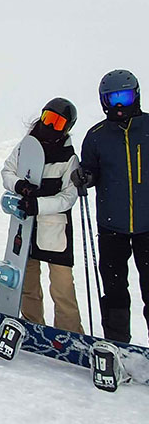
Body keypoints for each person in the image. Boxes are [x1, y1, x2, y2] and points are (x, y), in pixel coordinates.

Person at [76, 70, 149, 343]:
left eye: (124, 96)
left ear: (136, 95)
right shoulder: (96, 136)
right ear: (103, 101)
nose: (119, 104)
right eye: (112, 98)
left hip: (147, 228)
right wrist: (84, 177)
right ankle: (117, 345)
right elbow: (90, 171)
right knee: (115, 290)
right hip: (111, 227)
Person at [2, 98, 83, 333]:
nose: (49, 125)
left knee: (62, 290)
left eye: (57, 122)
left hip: (54, 230)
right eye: (48, 118)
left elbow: (68, 197)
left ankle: (70, 334)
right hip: (25, 227)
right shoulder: (26, 146)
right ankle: (32, 326)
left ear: (66, 128)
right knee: (27, 284)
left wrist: (39, 205)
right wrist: (20, 187)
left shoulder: (69, 157)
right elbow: (7, 170)